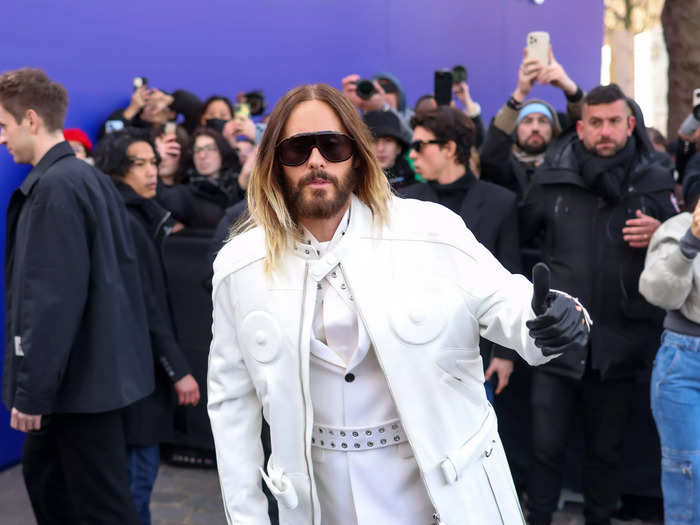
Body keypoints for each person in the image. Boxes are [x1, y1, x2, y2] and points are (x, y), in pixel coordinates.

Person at [207, 83, 590, 525]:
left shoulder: (429, 230)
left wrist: (557, 315)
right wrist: (247, 518)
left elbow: (509, 302)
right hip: (320, 509)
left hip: (440, 502)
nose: (316, 160)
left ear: (357, 153)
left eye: (332, 145)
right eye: (297, 150)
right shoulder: (241, 265)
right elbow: (231, 405)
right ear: (274, 162)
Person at [520, 84, 679, 525]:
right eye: (596, 122)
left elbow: (685, 243)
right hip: (555, 340)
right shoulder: (552, 176)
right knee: (544, 447)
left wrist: (662, 230)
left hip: (621, 343)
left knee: (607, 453)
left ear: (630, 125)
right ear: (580, 126)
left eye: (614, 121)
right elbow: (519, 238)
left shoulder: (655, 178)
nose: (605, 131)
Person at [0, 67, 152, 524]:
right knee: (55, 484)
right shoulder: (86, 180)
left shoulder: (56, 189)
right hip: (88, 382)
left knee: (98, 506)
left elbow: (49, 301)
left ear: (30, 119)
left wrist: (31, 393)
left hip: (76, 390)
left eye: (3, 126)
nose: (1, 140)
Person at [94, 132, 201, 525]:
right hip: (137, 375)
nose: (152, 170)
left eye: (153, 161)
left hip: (130, 372)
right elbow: (146, 304)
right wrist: (179, 369)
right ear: (117, 166)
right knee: (136, 484)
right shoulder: (126, 219)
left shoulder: (132, 213)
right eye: (140, 163)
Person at [401, 106, 520, 398]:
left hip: (474, 356)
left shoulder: (500, 202)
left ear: (450, 148)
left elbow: (510, 277)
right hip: (412, 354)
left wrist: (505, 353)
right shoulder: (403, 202)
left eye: (419, 146)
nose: (411, 154)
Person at [639, 154, 700, 525]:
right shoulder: (677, 227)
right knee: (687, 468)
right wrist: (689, 243)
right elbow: (658, 292)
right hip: (685, 360)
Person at [479, 46, 583, 202]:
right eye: (527, 121)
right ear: (516, 130)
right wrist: (520, 93)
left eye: (543, 121)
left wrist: (568, 87)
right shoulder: (505, 168)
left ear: (553, 129)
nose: (535, 128)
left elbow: (588, 127)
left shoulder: (568, 162)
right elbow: (490, 154)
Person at [158, 127, 244, 229]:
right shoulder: (183, 195)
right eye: (197, 150)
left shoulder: (238, 186)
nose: (202, 155)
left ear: (222, 152)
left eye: (210, 148)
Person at [100, 81, 202, 138]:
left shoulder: (181, 133)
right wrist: (133, 108)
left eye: (156, 105)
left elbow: (199, 110)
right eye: (146, 105)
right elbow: (108, 137)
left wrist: (168, 100)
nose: (151, 109)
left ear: (172, 114)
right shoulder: (137, 133)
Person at [362, 110, 417, 189]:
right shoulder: (351, 187)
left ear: (399, 147)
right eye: (373, 141)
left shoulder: (417, 189)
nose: (380, 148)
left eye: (388, 140)